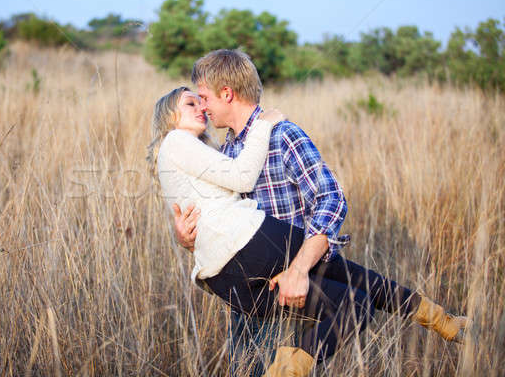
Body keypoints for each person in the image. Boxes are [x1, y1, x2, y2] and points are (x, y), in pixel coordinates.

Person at [166, 49, 468, 376]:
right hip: (254, 291)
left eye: (205, 97)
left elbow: (331, 199)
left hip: (297, 282)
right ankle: (447, 323)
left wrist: (298, 270)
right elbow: (214, 220)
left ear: (227, 94)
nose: (203, 105)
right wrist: (187, 239)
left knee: (365, 291)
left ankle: (450, 325)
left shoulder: (283, 135)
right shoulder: (229, 149)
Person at [149, 86, 374, 376]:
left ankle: (424, 311)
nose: (200, 108)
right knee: (356, 298)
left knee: (260, 361)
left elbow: (211, 210)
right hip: (254, 262)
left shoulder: (223, 148)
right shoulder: (181, 141)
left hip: (273, 268)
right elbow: (240, 181)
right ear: (170, 116)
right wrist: (263, 125)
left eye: (202, 101)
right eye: (191, 103)